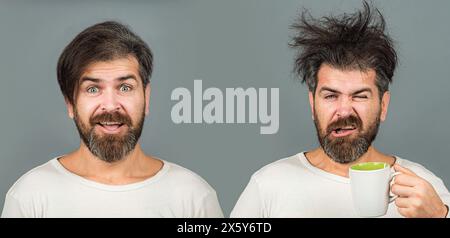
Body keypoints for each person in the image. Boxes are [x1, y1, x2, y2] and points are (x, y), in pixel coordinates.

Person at [231, 2, 450, 218]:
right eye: (330, 96)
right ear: (312, 105)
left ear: (383, 105)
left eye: (360, 96)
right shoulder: (268, 185)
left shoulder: (424, 190)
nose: (344, 111)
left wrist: (440, 215)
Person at [1, 21, 223, 218]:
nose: (110, 104)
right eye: (93, 89)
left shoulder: (193, 196)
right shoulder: (29, 196)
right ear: (70, 103)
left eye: (125, 87)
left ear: (146, 98)